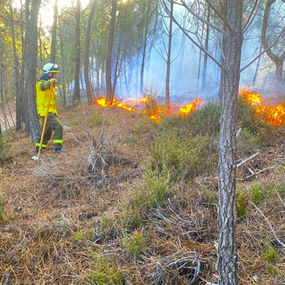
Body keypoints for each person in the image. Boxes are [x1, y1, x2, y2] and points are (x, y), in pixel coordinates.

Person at [35, 63, 66, 154]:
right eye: (54, 73)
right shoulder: (41, 83)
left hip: (51, 112)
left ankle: (39, 150)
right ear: (49, 73)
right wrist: (50, 81)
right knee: (58, 127)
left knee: (46, 133)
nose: (56, 75)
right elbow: (43, 86)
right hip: (46, 112)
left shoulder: (51, 85)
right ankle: (58, 149)